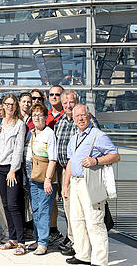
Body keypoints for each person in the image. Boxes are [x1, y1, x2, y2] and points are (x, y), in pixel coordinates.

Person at [62, 104, 120, 266]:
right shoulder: (73, 139)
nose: (80, 118)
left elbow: (115, 156)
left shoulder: (98, 135)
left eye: (83, 115)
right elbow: (70, 162)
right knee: (77, 220)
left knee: (95, 222)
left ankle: (99, 260)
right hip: (75, 182)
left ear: (89, 116)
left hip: (91, 182)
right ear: (73, 119)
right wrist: (66, 185)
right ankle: (82, 254)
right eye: (77, 116)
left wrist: (96, 160)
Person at [0, 94, 27, 255]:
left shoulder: (20, 125)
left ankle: (21, 241)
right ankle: (12, 239)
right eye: (7, 104)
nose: (9, 107)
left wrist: (13, 170)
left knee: (14, 204)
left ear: (16, 106)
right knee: (5, 204)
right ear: (3, 105)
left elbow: (18, 149)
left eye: (12, 104)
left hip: (12, 169)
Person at [25, 103, 58, 255]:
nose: (37, 118)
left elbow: (53, 159)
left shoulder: (49, 133)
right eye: (34, 115)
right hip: (34, 177)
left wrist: (48, 179)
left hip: (45, 177)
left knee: (44, 209)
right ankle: (38, 239)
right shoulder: (32, 133)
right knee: (36, 209)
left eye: (40, 115)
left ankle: (43, 242)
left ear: (45, 117)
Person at [54, 90, 80, 255]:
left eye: (71, 102)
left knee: (78, 209)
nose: (68, 106)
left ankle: (78, 243)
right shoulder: (61, 122)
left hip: (81, 172)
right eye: (65, 103)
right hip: (65, 171)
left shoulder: (84, 120)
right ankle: (73, 239)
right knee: (69, 208)